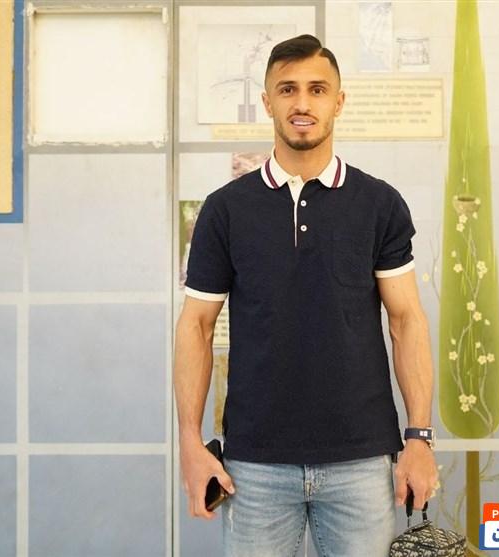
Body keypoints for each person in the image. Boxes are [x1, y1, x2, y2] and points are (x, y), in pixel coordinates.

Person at [174, 34, 438, 557]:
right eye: (287, 89)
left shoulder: (379, 204)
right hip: (255, 465)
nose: (302, 103)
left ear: (338, 101)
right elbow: (196, 326)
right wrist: (189, 440)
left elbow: (406, 320)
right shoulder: (225, 210)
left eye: (317, 89)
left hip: (361, 461)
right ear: (267, 101)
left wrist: (419, 438)